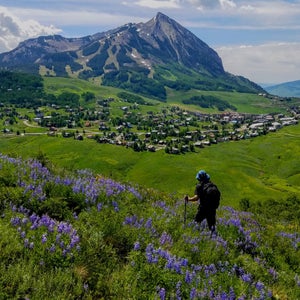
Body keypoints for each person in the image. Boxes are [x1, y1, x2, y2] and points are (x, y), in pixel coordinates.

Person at [185, 170, 220, 235]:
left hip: (203, 209)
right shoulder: (213, 185)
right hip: (212, 209)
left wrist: (188, 199)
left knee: (196, 222)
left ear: (199, 178)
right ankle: (214, 240)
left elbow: (196, 198)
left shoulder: (199, 186)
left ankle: (193, 235)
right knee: (212, 226)